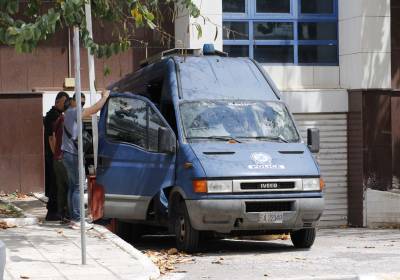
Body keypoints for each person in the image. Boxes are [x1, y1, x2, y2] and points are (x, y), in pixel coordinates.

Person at [62, 90, 109, 229]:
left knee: (73, 187)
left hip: (68, 153)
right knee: (78, 187)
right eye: (80, 102)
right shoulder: (72, 111)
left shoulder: (70, 113)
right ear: (72, 101)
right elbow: (94, 109)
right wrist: (105, 97)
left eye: (83, 102)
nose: (81, 105)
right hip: (72, 154)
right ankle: (77, 220)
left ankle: (73, 218)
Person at [43, 91, 69, 221]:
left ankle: (56, 210)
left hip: (55, 155)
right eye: (64, 102)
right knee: (54, 184)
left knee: (57, 184)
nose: (66, 104)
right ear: (57, 101)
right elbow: (50, 138)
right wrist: (56, 155)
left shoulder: (59, 115)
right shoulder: (52, 116)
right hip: (53, 155)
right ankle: (52, 212)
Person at [49, 99, 70, 223]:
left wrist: (56, 154)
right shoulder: (68, 121)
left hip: (57, 158)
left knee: (61, 187)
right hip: (65, 158)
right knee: (71, 187)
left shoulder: (58, 120)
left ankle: (61, 213)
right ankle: (69, 214)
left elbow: (53, 139)